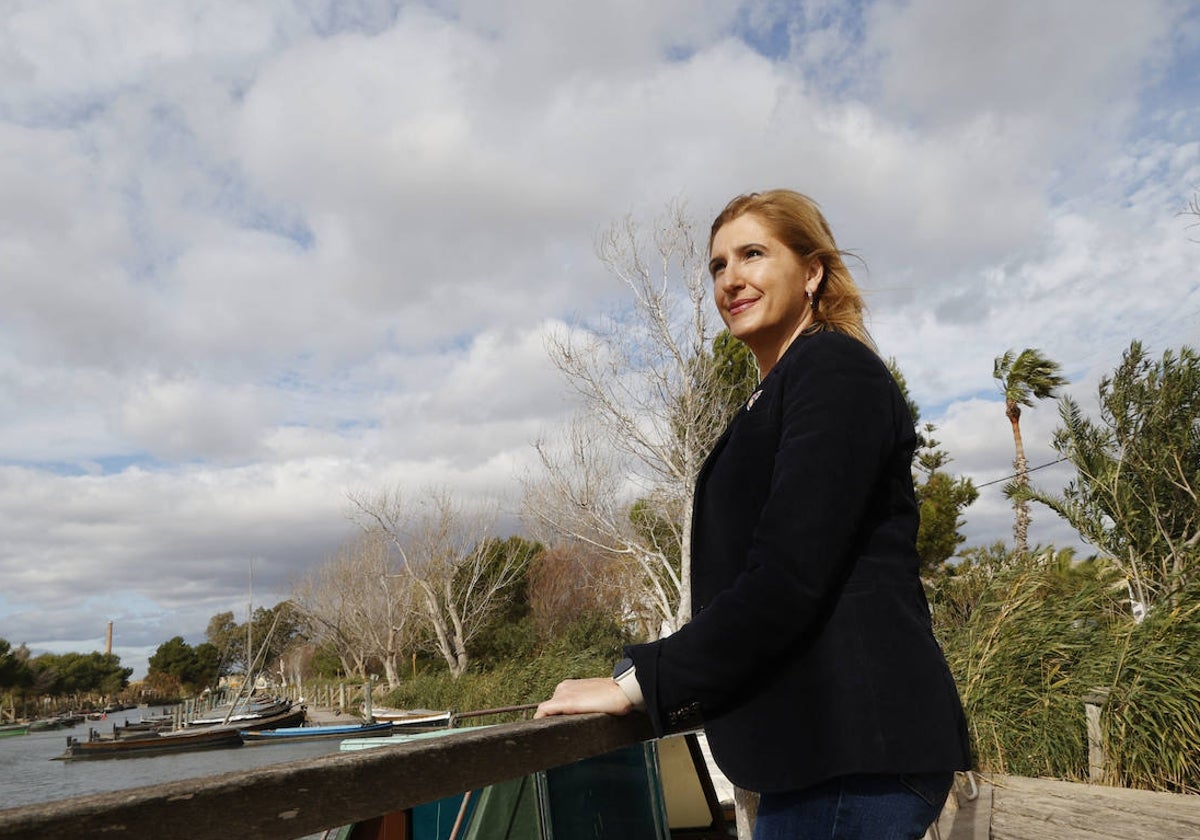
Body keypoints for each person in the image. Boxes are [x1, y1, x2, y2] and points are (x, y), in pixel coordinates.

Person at [535, 189, 972, 839]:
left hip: (854, 751)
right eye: (717, 265)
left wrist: (638, 685)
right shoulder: (775, 394)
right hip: (821, 755)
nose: (730, 278)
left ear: (812, 271)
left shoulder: (833, 370)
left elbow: (785, 580)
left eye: (753, 254)